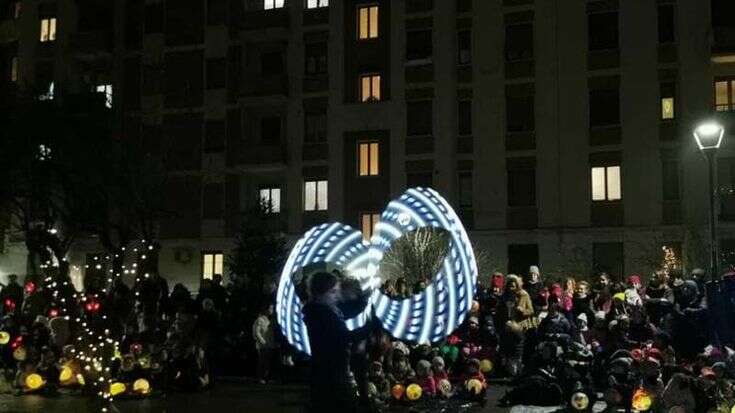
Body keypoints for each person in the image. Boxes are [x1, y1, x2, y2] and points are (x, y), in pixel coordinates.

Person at [302, 272, 366, 412]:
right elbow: (342, 337)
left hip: (334, 371)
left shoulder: (328, 309)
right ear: (321, 293)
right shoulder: (320, 313)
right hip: (329, 374)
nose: (337, 295)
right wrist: (369, 327)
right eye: (333, 291)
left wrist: (363, 295)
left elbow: (352, 309)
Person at [252, 303, 276, 384]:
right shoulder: (260, 320)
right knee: (262, 362)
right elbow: (256, 332)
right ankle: (260, 377)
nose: (272, 310)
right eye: (270, 308)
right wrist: (262, 341)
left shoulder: (270, 321)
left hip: (269, 345)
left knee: (267, 362)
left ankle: (266, 377)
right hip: (262, 346)